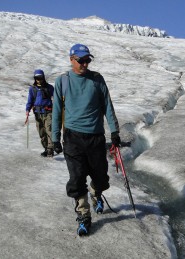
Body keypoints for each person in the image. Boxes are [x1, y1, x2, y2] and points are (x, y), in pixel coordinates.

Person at [52, 44, 121, 236]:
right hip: (73, 138)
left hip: (96, 137)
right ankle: (83, 214)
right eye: (80, 60)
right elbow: (57, 110)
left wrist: (114, 132)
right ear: (71, 59)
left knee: (101, 178)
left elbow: (107, 105)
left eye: (87, 60)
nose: (84, 64)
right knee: (76, 178)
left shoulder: (97, 80)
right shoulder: (63, 81)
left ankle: (96, 193)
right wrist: (55, 138)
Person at [26, 69, 54, 157]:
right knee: (41, 132)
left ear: (43, 77)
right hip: (37, 113)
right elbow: (30, 100)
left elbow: (56, 99)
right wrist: (27, 110)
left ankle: (50, 149)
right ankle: (46, 148)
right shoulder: (32, 89)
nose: (39, 80)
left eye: (40, 78)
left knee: (49, 130)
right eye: (37, 78)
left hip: (48, 112)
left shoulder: (49, 88)